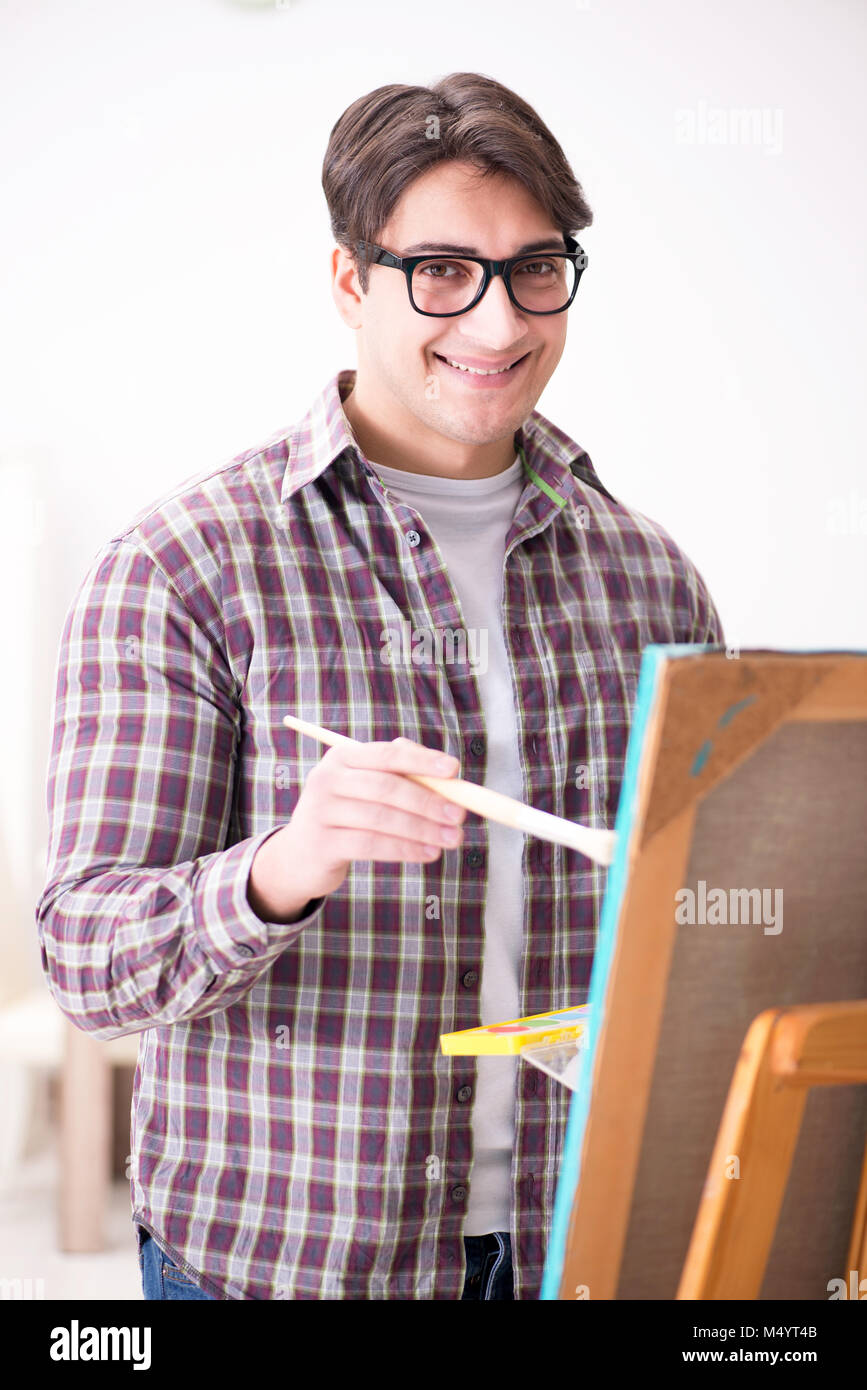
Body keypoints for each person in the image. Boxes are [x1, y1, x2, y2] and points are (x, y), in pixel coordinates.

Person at [37, 71, 724, 1301]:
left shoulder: (652, 580)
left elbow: (702, 919)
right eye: (445, 271)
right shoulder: (184, 565)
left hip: (592, 1245)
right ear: (351, 281)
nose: (500, 323)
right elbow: (88, 960)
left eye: (536, 269)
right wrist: (280, 868)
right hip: (283, 1265)